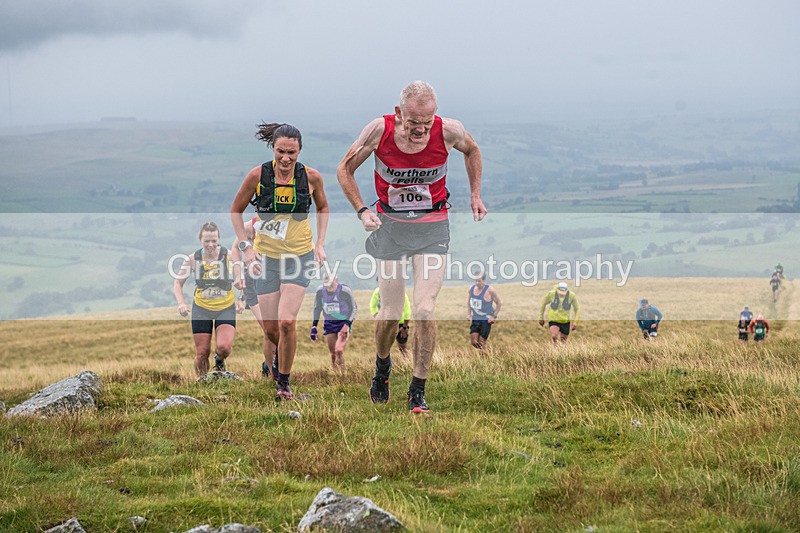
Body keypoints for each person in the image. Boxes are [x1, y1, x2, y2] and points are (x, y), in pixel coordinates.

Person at [337, 80, 485, 413]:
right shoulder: (379, 131)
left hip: (432, 227)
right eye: (414, 122)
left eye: (427, 122)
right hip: (390, 229)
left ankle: (418, 389)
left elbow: (473, 150)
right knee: (390, 314)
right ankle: (382, 366)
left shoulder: (448, 131)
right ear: (399, 113)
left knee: (423, 310)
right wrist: (362, 210)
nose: (420, 129)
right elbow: (344, 169)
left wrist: (475, 194)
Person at [231, 123, 329, 400]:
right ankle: (277, 361)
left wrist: (319, 244)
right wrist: (245, 247)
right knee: (272, 329)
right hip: (266, 259)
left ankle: (284, 384)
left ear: (300, 151)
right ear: (273, 149)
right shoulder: (257, 176)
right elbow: (236, 211)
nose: (286, 159)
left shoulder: (311, 177)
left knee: (287, 322)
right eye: (281, 152)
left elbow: (322, 207)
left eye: (292, 153)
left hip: (299, 257)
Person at [172, 222, 244, 378]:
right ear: (200, 241)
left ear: (219, 239)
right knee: (202, 352)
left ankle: (219, 360)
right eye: (207, 241)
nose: (210, 245)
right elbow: (178, 283)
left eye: (214, 240)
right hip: (201, 308)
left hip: (225, 307)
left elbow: (242, 279)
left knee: (224, 348)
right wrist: (181, 304)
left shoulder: (230, 256)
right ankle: (201, 382)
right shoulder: (193, 259)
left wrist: (241, 299)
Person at [230, 216, 278, 379]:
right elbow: (235, 248)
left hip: (276, 280)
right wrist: (238, 275)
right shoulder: (251, 226)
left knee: (279, 328)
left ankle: (269, 364)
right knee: (268, 328)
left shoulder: (286, 223)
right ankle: (274, 376)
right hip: (253, 283)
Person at [311, 274, 357, 370]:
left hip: (343, 323)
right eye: (327, 284)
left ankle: (342, 375)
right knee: (333, 353)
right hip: (329, 324)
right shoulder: (320, 291)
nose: (329, 287)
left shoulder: (344, 291)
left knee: (339, 350)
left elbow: (354, 308)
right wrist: (314, 326)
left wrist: (347, 324)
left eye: (332, 284)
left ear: (336, 281)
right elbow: (317, 308)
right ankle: (335, 374)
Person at [370, 282, 412, 356]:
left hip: (400, 323)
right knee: (383, 348)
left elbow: (407, 310)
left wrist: (405, 327)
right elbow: (372, 305)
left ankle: (407, 362)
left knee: (402, 347)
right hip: (384, 322)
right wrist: (377, 316)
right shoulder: (378, 292)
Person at [467, 273, 502, 349]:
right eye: (475, 281)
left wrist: (493, 316)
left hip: (486, 318)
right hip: (476, 318)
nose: (477, 283)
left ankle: (486, 356)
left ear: (484, 280)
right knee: (474, 342)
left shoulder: (490, 290)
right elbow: (469, 302)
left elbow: (499, 303)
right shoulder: (471, 289)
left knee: (482, 342)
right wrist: (469, 314)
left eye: (479, 281)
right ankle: (489, 352)